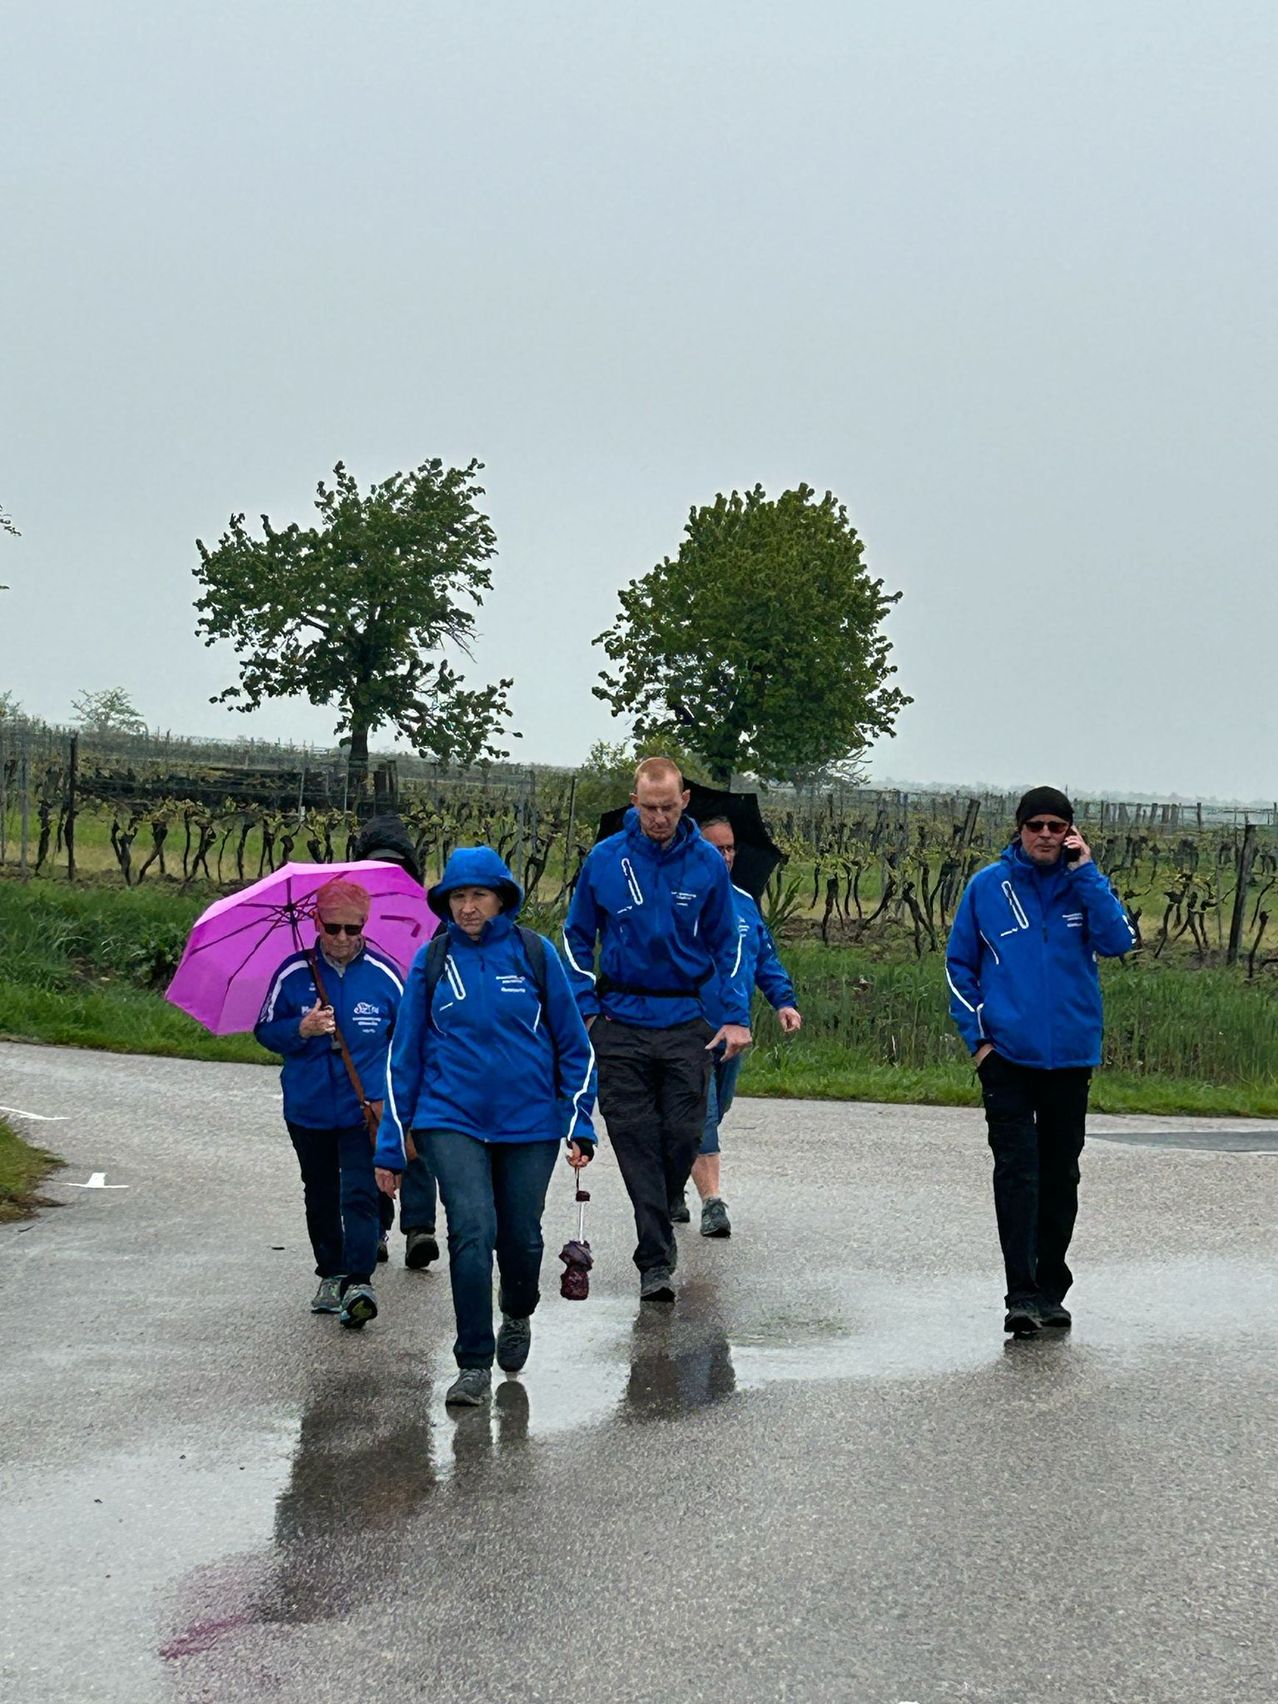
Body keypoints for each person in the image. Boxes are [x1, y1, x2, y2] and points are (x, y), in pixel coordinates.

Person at [374, 846, 596, 1407]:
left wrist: (579, 1119)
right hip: (451, 1117)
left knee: (520, 1238)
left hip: (531, 1123)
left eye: (478, 896)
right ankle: (472, 1361)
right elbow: (404, 1056)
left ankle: (517, 1312)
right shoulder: (431, 961)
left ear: (502, 898)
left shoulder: (536, 955)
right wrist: (390, 1146)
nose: (467, 908)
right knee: (471, 1231)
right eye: (457, 897)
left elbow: (576, 1048)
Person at [946, 786, 1135, 1337]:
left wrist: (1088, 874)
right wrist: (980, 1044)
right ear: (1020, 830)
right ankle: (1021, 1294)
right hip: (1006, 1057)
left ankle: (1051, 1287)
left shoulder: (1085, 887)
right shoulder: (987, 887)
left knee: (1061, 1176)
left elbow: (1119, 941)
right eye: (1037, 826)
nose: (1047, 835)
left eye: (1057, 826)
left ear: (1071, 832)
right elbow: (960, 965)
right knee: (1017, 1174)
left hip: (1071, 1058)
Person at [562, 757, 750, 1302]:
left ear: (684, 800)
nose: (659, 817)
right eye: (649, 808)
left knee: (685, 1134)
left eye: (668, 807)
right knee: (635, 1138)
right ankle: (655, 1260)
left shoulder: (707, 865)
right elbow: (575, 937)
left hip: (686, 1018)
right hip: (619, 1019)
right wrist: (587, 1007)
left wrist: (735, 1013)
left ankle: (663, 1211)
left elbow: (727, 943)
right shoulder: (604, 860)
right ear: (634, 802)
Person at [254, 877, 404, 1329]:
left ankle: (360, 1280)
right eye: (333, 927)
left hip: (364, 1110)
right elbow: (264, 1031)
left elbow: (409, 1043)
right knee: (319, 1194)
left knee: (359, 1192)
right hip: (308, 1107)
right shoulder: (292, 973)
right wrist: (300, 1031)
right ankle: (330, 1272)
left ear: (364, 926)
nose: (341, 938)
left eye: (352, 929)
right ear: (316, 921)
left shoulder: (386, 977)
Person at [671, 816, 802, 1238]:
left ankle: (673, 1184)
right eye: (716, 848)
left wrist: (783, 1001)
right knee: (701, 1112)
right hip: (688, 1024)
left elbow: (764, 958)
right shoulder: (679, 899)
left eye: (730, 849)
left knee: (718, 1108)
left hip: (734, 1027)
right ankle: (713, 1203)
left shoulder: (744, 901)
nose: (725, 857)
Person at [350, 810, 440, 1272]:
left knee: (411, 1132)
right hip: (377, 1043)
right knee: (386, 1132)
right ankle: (393, 1226)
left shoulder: (434, 920)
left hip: (414, 1039)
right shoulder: (351, 918)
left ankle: (411, 1227)